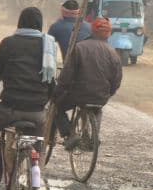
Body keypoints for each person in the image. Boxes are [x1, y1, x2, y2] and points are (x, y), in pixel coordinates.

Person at [0, 7, 59, 190]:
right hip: (37, 113)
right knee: (38, 146)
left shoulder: (9, 43)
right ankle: (34, 181)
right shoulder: (48, 46)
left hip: (8, 110)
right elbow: (51, 81)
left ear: (20, 22)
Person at [52, 17, 122, 150]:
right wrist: (108, 93)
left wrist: (58, 92)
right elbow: (116, 80)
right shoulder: (113, 53)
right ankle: (94, 137)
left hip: (78, 95)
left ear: (92, 30)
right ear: (109, 33)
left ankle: (69, 135)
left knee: (57, 107)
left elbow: (66, 76)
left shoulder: (79, 48)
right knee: (97, 110)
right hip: (100, 96)